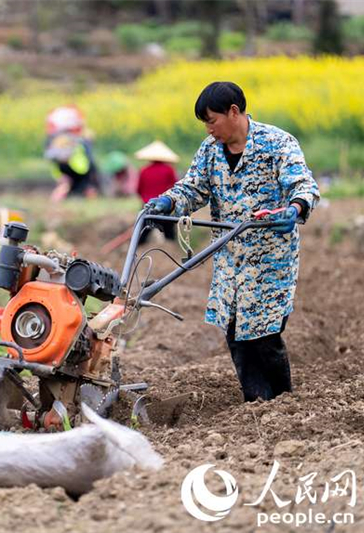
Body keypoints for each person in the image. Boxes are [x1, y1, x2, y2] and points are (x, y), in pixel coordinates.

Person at [144, 81, 319, 403]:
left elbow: (303, 184)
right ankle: (254, 401)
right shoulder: (210, 150)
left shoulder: (277, 143)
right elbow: (194, 188)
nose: (209, 129)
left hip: (270, 258)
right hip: (229, 256)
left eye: (212, 120)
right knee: (236, 333)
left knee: (265, 333)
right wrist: (167, 202)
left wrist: (295, 209)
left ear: (233, 112)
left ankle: (283, 402)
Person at [134, 140, 179, 244]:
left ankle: (136, 252)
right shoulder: (169, 170)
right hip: (165, 207)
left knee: (141, 236)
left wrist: (145, 199)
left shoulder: (144, 170)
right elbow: (175, 188)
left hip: (148, 206)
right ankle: (172, 252)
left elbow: (139, 189)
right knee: (170, 235)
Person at [44, 133, 99, 200]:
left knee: (88, 191)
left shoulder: (78, 155)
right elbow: (55, 167)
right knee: (63, 187)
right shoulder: (56, 155)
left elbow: (84, 171)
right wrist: (60, 177)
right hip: (72, 174)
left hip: (81, 175)